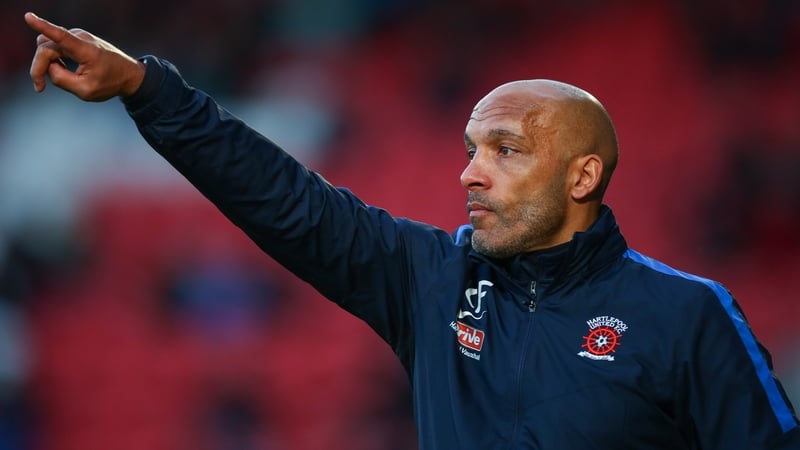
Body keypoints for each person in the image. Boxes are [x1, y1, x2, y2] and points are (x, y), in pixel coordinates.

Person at [24, 12, 800, 450]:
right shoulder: (433, 282)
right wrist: (147, 89)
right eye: (470, 152)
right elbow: (285, 200)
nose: (470, 174)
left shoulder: (689, 315)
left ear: (583, 176)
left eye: (505, 151)